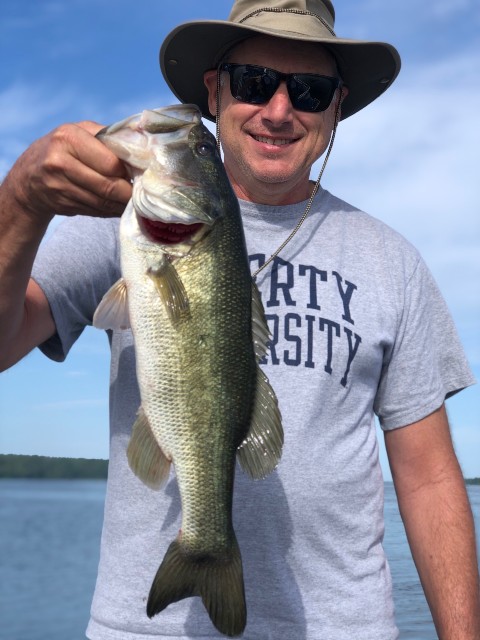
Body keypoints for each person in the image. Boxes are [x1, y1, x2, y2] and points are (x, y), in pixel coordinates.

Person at [1, 0, 479, 638]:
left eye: (309, 91)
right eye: (254, 81)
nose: (279, 111)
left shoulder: (396, 263)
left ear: (336, 108)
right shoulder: (117, 229)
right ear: (214, 90)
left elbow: (428, 479)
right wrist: (21, 202)